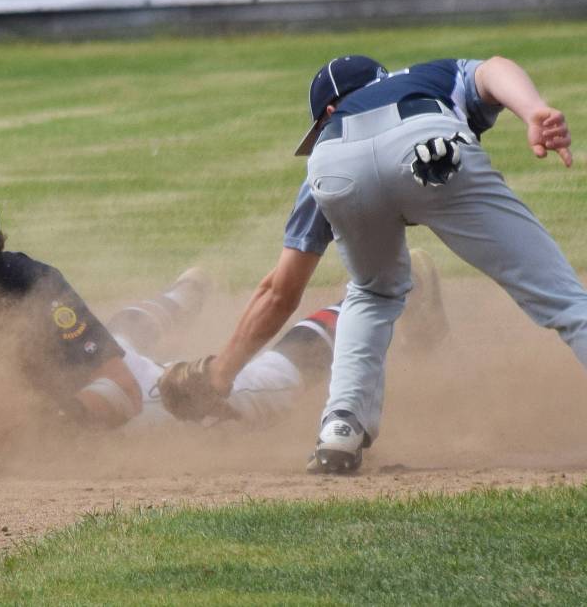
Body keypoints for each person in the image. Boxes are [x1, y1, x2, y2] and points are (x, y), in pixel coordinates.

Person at [160, 55, 582, 474]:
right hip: (429, 141)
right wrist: (532, 110)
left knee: (373, 292)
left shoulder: (326, 143)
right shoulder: (427, 75)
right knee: (560, 296)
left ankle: (340, 428)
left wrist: (219, 375)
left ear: (329, 111)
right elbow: (494, 69)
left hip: (338, 167)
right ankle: (342, 423)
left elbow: (280, 293)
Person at [0, 158, 379, 434]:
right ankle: (181, 295)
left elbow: (123, 390)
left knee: (256, 383)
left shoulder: (30, 285)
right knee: (110, 332)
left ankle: (353, 306)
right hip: (89, 356)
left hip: (142, 399)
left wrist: (53, 424)